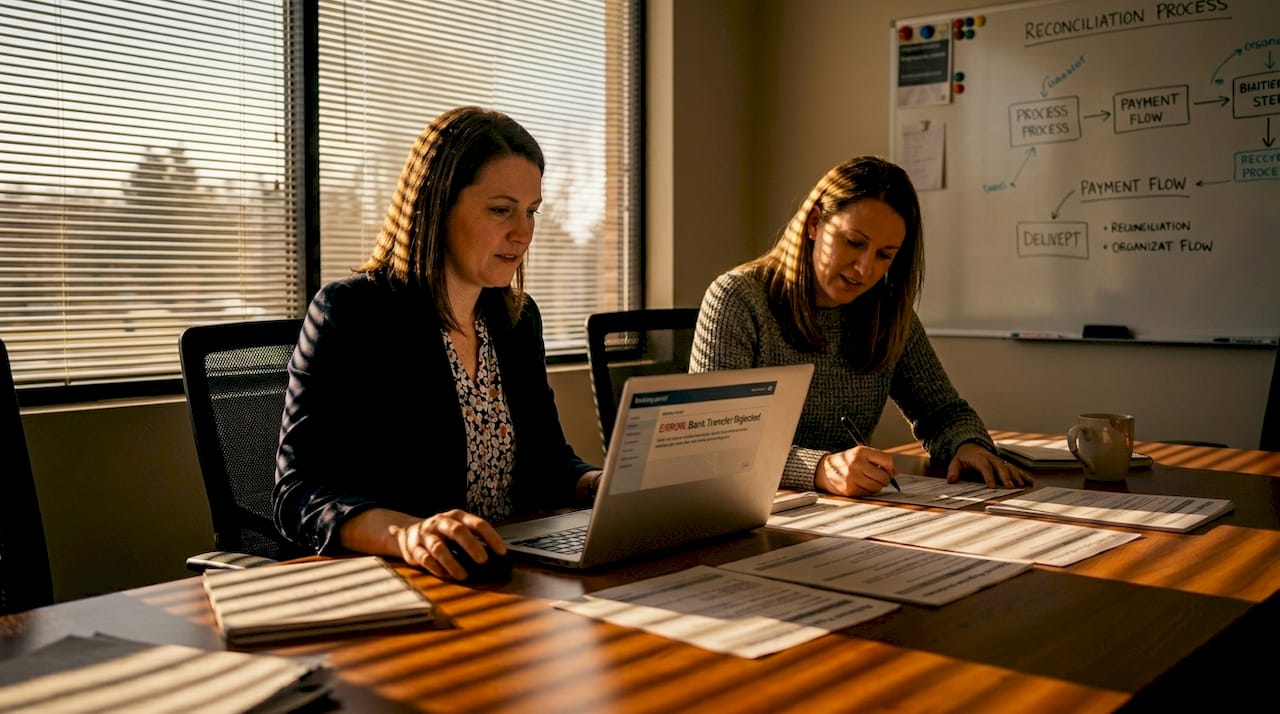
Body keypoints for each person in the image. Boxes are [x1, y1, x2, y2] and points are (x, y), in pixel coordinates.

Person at [272, 106, 602, 581]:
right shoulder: (352, 313)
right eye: (500, 210)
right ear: (435, 205)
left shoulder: (516, 320)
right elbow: (298, 493)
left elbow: (547, 464)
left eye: (531, 212)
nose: (523, 233)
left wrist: (599, 485)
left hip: (506, 574)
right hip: (402, 583)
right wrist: (407, 534)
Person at [689, 155, 1030, 497]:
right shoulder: (738, 298)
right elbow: (713, 446)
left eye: (885, 255)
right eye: (854, 242)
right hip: (754, 511)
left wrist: (967, 445)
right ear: (814, 224)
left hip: (850, 516)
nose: (865, 269)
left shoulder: (887, 311)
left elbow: (941, 412)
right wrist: (819, 469)